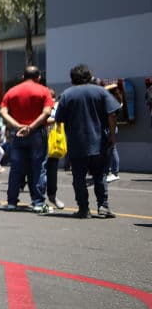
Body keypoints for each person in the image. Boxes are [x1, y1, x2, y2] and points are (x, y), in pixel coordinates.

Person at [56, 64, 121, 218]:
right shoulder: (100, 91)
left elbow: (59, 119)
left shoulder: (66, 94)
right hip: (99, 142)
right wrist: (112, 135)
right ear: (90, 76)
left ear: (72, 79)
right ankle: (103, 206)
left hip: (76, 144)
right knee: (100, 175)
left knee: (78, 177)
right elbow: (113, 114)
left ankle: (83, 209)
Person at [0, 66, 54, 213]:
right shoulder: (44, 90)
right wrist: (31, 126)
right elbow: (47, 112)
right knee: (39, 167)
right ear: (39, 77)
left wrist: (18, 126)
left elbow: (3, 112)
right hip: (37, 133)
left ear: (23, 77)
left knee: (16, 168)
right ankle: (38, 203)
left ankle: (11, 202)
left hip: (17, 134)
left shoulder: (12, 91)